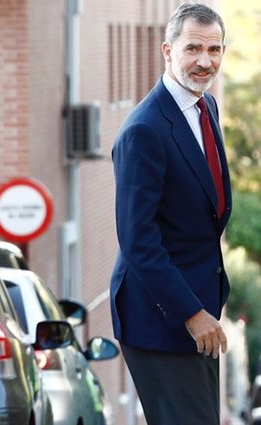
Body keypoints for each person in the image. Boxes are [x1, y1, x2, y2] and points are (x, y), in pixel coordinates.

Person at [109, 3, 231, 424]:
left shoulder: (205, 107)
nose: (204, 61)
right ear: (167, 50)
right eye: (192, 48)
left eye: (214, 49)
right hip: (161, 317)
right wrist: (191, 314)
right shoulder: (144, 130)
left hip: (199, 308)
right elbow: (137, 239)